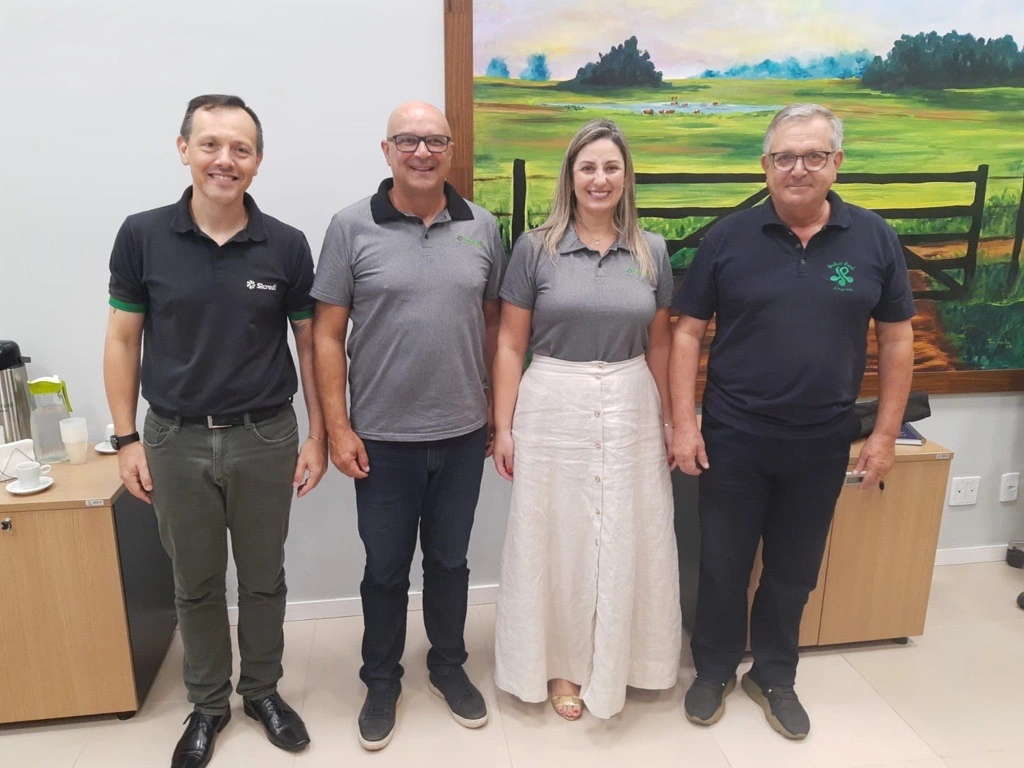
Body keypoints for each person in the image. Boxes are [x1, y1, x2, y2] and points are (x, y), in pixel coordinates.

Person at [670, 103, 915, 740]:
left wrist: (885, 434)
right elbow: (687, 332)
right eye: (784, 157)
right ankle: (714, 669)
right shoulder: (728, 237)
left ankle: (775, 674)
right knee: (722, 564)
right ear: (766, 165)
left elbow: (896, 340)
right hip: (733, 436)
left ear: (837, 163)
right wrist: (683, 423)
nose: (797, 168)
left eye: (813, 156)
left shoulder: (874, 238)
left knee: (794, 569)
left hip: (823, 440)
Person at [103, 94, 325, 768]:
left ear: (257, 161)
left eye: (240, 149)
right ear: (184, 150)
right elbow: (122, 339)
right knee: (194, 582)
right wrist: (125, 439)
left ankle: (261, 691)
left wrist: (317, 434)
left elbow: (310, 345)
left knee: (262, 578)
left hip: (265, 436)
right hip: (174, 440)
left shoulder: (286, 244)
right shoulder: (142, 236)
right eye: (210, 145)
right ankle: (207, 704)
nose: (225, 160)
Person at [311, 101, 504, 751]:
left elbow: (496, 323)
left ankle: (447, 665)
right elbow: (327, 334)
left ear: (450, 149)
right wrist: (338, 427)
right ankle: (381, 679)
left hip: (461, 433)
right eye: (408, 140)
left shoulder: (482, 226)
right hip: (382, 438)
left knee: (450, 562)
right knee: (386, 568)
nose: (423, 152)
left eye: (435, 141)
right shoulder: (350, 227)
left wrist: (494, 407)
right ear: (387, 149)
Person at [491, 118, 682, 721]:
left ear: (626, 178)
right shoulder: (535, 248)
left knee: (630, 530)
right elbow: (509, 344)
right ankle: (562, 665)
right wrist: (503, 427)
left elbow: (660, 344)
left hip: (631, 403)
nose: (600, 179)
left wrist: (672, 421)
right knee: (557, 538)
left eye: (611, 168)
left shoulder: (651, 250)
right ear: (570, 177)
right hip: (552, 404)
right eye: (588, 167)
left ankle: (627, 659)